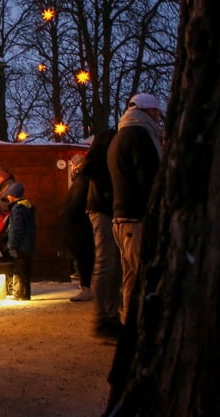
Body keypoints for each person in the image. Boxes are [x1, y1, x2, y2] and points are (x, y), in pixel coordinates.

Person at [108, 94, 163, 327]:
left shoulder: (121, 136)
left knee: (131, 277)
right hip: (136, 218)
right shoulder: (140, 136)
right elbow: (148, 179)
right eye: (157, 114)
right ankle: (145, 330)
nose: (159, 119)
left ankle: (130, 326)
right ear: (149, 112)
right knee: (145, 276)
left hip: (121, 218)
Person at [80, 129, 121, 338]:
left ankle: (107, 315)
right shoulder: (101, 169)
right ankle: (104, 317)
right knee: (107, 262)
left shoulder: (94, 168)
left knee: (108, 262)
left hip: (103, 208)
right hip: (104, 209)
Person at [61, 153, 96, 302]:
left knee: (84, 257)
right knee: (84, 257)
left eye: (73, 165)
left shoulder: (82, 181)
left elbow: (77, 203)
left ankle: (86, 287)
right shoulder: (85, 180)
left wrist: (67, 217)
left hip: (80, 226)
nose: (71, 167)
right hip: (81, 225)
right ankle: (87, 286)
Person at [4, 182, 36, 300]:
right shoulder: (27, 207)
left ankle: (18, 293)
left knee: (19, 270)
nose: (7, 197)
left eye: (8, 194)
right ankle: (26, 294)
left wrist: (12, 245)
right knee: (26, 270)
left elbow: (16, 229)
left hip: (20, 245)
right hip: (28, 244)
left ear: (13, 195)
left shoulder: (17, 209)